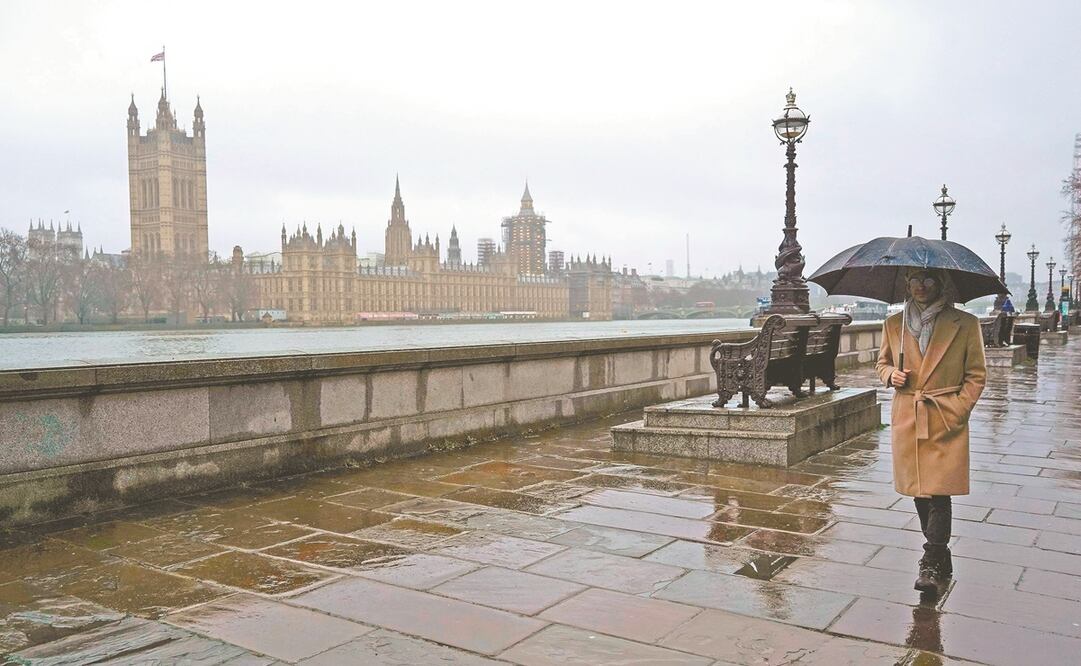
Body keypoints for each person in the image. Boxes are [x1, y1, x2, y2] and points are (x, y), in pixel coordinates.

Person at [875, 268, 987, 593]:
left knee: (939, 491)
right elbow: (881, 363)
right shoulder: (893, 324)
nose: (920, 286)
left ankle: (932, 561)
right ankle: (941, 554)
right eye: (914, 280)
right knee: (919, 491)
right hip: (909, 416)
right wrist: (891, 375)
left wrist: (959, 408)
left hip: (943, 415)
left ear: (940, 284)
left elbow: (976, 374)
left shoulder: (965, 324)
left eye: (927, 280)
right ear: (906, 283)